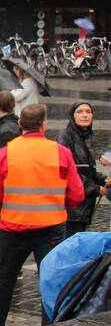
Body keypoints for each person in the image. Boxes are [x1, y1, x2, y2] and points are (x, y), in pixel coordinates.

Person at [0, 104, 84, 326]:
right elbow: (77, 194)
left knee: (5, 279)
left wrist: (3, 206)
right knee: (51, 280)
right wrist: (58, 205)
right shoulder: (60, 152)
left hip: (13, 226)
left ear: (20, 125)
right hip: (51, 226)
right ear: (44, 125)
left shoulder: (5, 153)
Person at [58, 101, 107, 238]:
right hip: (72, 208)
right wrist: (96, 189)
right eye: (80, 112)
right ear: (72, 116)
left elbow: (87, 170)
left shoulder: (86, 137)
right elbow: (68, 172)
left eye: (88, 112)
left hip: (83, 208)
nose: (85, 115)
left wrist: (103, 180)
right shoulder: (65, 137)